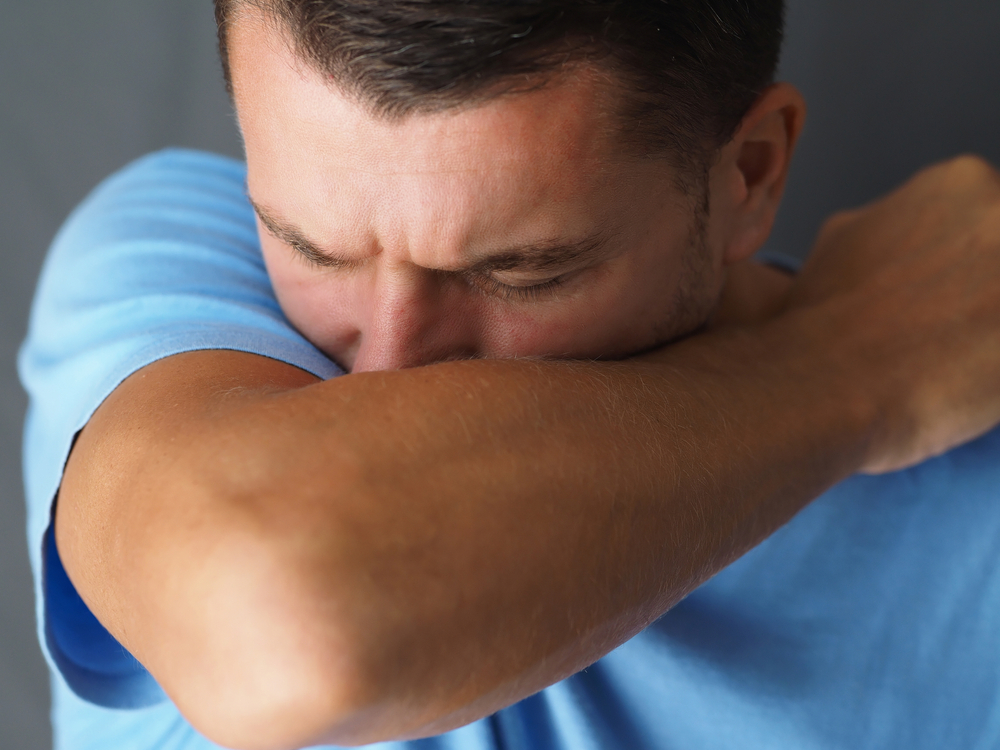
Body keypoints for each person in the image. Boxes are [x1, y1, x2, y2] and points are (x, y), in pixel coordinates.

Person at [18, 1, 1000, 749]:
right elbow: (290, 623)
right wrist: (856, 365)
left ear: (749, 172)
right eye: (311, 248)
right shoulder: (180, 254)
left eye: (519, 273)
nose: (387, 369)